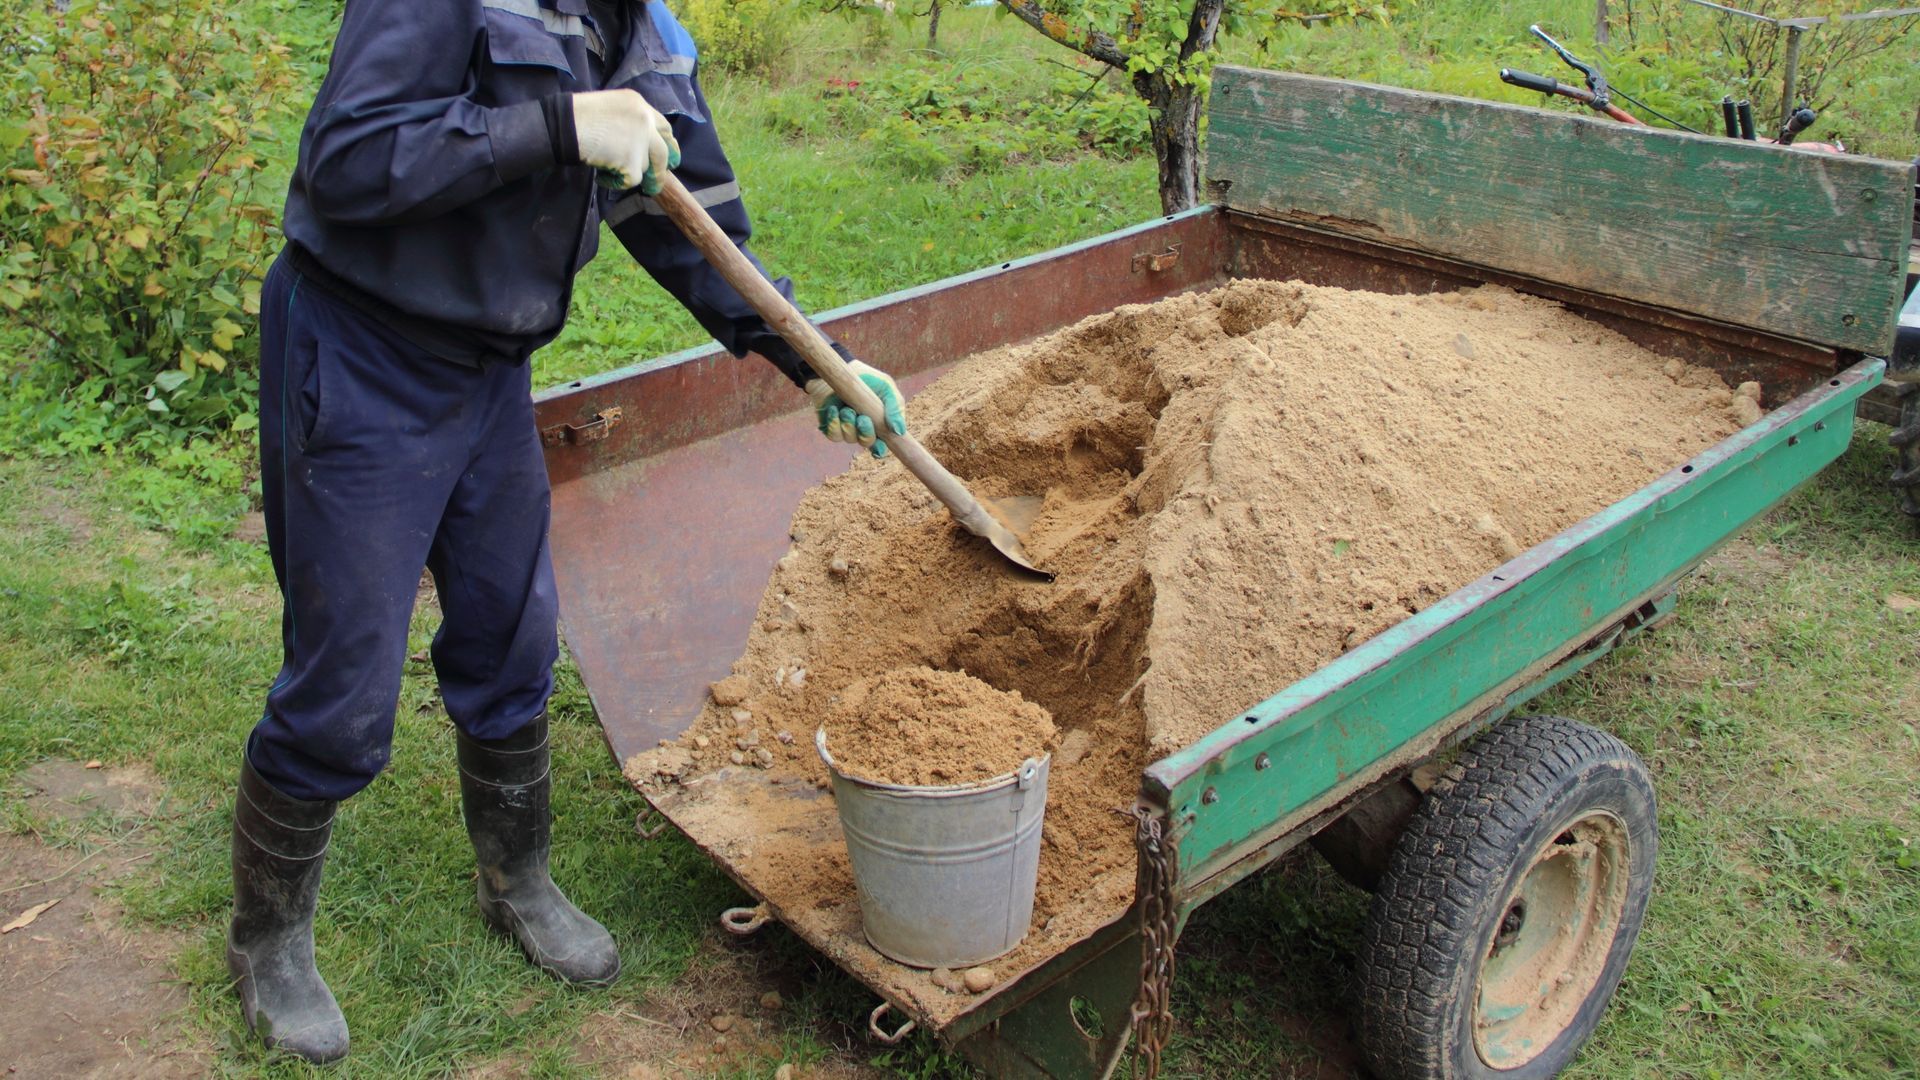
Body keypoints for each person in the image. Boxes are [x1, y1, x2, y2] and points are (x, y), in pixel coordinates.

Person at [231, 0, 907, 1062]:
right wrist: (560, 126)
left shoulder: (644, 26)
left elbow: (684, 213)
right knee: (346, 676)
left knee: (511, 633)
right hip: (366, 351)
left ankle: (519, 880)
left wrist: (813, 356)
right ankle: (268, 942)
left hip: (491, 374)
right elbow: (348, 161)